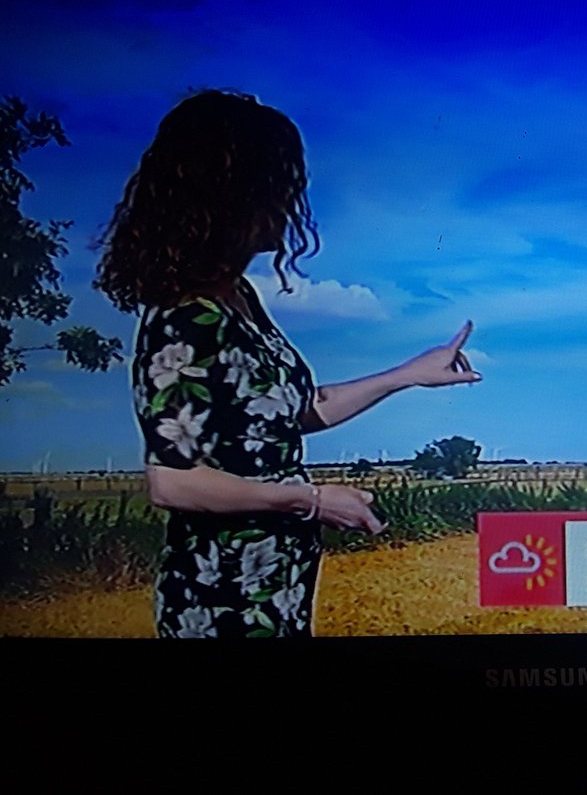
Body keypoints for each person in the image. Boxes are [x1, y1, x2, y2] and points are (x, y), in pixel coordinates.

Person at [95, 89, 480, 637]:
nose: (291, 201)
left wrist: (408, 374)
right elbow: (173, 482)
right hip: (222, 600)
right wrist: (311, 501)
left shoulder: (238, 298)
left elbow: (296, 410)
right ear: (232, 194)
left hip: (275, 587)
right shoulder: (185, 317)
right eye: (279, 185)